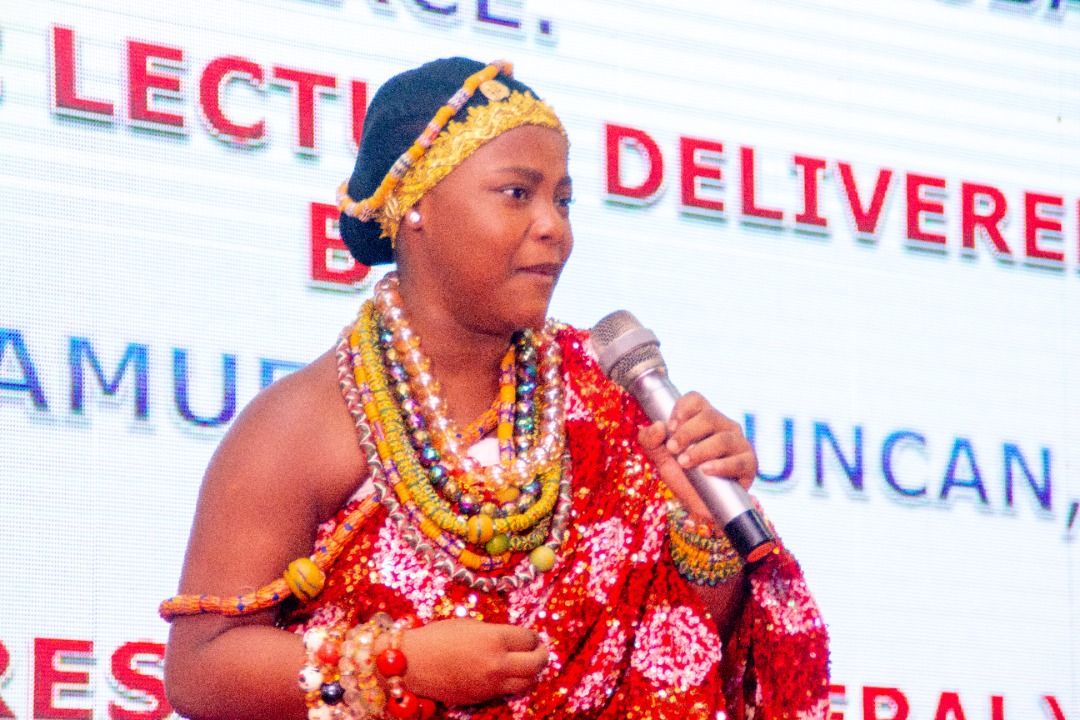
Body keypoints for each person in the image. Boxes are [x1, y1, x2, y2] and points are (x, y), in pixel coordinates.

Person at [161, 57, 829, 720]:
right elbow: (200, 669)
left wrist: (707, 532)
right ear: (415, 204)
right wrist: (403, 664)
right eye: (517, 193)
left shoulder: (606, 396)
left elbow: (676, 650)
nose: (554, 226)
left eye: (562, 200)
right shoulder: (302, 424)